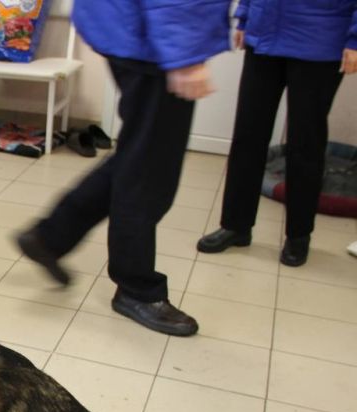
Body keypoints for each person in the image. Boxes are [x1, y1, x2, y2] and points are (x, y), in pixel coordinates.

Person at [15, 0, 231, 336]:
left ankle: (51, 236)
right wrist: (184, 53)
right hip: (154, 39)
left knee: (139, 156)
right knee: (149, 173)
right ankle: (136, 290)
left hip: (136, 27)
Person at [197, 0, 357, 267]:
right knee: (248, 135)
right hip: (264, 37)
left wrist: (354, 40)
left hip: (320, 40)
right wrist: (246, 18)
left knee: (305, 143)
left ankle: (298, 235)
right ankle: (236, 226)